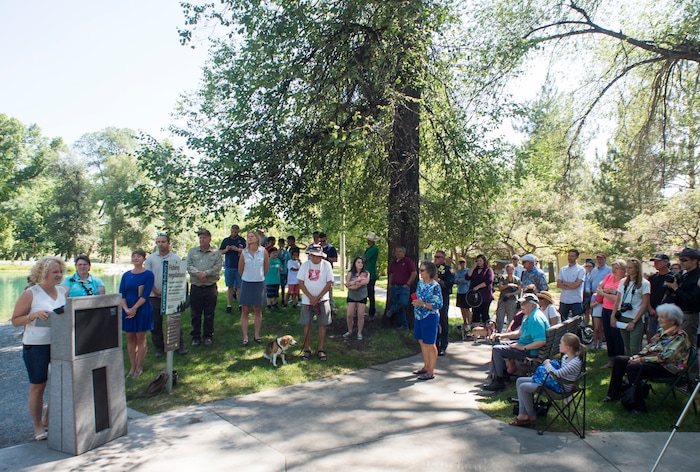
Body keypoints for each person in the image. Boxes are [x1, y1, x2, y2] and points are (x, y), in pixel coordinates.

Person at [12, 256, 67, 441]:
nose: (59, 275)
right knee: (38, 386)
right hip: (36, 345)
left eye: (60, 271)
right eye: (55, 272)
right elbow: (15, 320)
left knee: (60, 383)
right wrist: (32, 315)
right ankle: (37, 426)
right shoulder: (31, 293)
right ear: (43, 273)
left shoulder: (62, 292)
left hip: (59, 343)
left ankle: (48, 419)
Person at [602, 303, 690, 413]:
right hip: (655, 363)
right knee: (620, 360)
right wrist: (638, 355)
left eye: (663, 317)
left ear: (673, 320)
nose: (659, 319)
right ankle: (613, 395)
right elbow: (649, 346)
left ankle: (639, 406)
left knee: (633, 367)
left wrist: (641, 360)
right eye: (659, 316)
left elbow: (665, 357)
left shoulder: (679, 336)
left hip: (668, 368)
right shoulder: (661, 331)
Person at [511, 333, 585, 427]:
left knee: (523, 387)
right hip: (556, 382)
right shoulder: (566, 357)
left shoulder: (575, 363)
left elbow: (557, 374)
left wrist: (547, 363)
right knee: (519, 380)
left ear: (568, 348)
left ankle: (531, 416)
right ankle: (522, 414)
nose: (559, 344)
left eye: (561, 343)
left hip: (560, 389)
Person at [482, 293, 550, 391]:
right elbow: (519, 332)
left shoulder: (536, 319)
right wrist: (502, 335)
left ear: (532, 305)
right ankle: (503, 375)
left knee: (497, 350)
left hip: (530, 351)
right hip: (524, 345)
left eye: (524, 304)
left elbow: (541, 341)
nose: (521, 306)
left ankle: (499, 381)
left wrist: (522, 348)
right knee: (499, 344)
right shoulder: (530, 316)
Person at [145, 234, 187, 357]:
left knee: (174, 321)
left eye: (163, 241)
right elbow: (148, 277)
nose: (160, 244)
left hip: (171, 297)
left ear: (168, 243)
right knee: (156, 323)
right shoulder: (151, 259)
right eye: (158, 242)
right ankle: (159, 347)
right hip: (154, 296)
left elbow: (180, 277)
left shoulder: (176, 258)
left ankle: (178, 345)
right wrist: (155, 290)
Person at [120, 249, 155, 378]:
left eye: (138, 256)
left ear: (144, 259)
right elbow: (122, 293)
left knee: (140, 338)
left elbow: (146, 294)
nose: (136, 259)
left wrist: (134, 308)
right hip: (127, 309)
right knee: (130, 338)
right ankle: (132, 366)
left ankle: (139, 367)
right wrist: (126, 308)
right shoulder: (126, 275)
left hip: (141, 308)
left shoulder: (148, 274)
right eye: (133, 256)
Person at [298, 244, 334, 361]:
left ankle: (320, 349)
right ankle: (307, 349)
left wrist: (318, 297)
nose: (313, 257)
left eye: (316, 255)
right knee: (307, 324)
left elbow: (329, 283)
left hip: (323, 299)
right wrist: (310, 297)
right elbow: (301, 283)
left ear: (320, 256)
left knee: (322, 324)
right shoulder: (305, 265)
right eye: (312, 255)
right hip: (307, 300)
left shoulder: (327, 265)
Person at [186, 229, 222, 347]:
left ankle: (208, 336)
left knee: (209, 314)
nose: (202, 240)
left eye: (204, 238)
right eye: (200, 238)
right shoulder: (192, 251)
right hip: (196, 287)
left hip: (210, 286)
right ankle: (195, 337)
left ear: (209, 239)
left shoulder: (216, 252)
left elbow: (218, 267)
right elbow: (189, 265)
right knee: (195, 314)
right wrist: (198, 274)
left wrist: (206, 273)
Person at [410, 261, 443, 381]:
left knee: (429, 343)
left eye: (422, 270)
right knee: (421, 341)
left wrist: (423, 304)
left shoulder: (435, 286)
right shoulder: (420, 283)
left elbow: (438, 304)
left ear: (429, 272)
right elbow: (419, 297)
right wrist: (416, 302)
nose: (420, 272)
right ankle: (426, 366)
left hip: (430, 316)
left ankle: (431, 371)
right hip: (419, 316)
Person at [611, 258, 650, 356]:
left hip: (636, 318)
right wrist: (613, 316)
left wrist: (634, 322)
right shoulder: (623, 281)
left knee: (634, 347)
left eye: (630, 268)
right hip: (623, 316)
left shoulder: (644, 283)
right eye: (627, 268)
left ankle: (637, 368)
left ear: (637, 269)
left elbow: (645, 304)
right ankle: (629, 368)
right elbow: (617, 300)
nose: (628, 270)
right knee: (627, 346)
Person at [239, 231, 269, 346]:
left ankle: (257, 335)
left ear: (257, 239)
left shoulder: (263, 252)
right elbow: (240, 269)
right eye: (248, 237)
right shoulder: (244, 253)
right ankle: (245, 337)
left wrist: (259, 276)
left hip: (259, 283)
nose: (249, 238)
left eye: (252, 236)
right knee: (245, 310)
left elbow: (266, 267)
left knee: (258, 309)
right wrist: (247, 277)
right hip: (247, 283)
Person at [597, 259, 627, 367]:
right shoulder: (609, 277)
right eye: (613, 267)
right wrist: (606, 291)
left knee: (617, 336)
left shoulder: (624, 281)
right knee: (608, 335)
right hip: (605, 308)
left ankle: (619, 361)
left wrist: (603, 293)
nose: (614, 270)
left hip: (616, 310)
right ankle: (610, 360)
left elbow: (617, 299)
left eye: (617, 268)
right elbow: (599, 288)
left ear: (623, 270)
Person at [388, 246, 417, 330]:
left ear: (404, 253)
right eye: (396, 251)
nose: (398, 253)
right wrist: (390, 284)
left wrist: (408, 284)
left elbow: (414, 273)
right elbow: (391, 274)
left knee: (403, 303)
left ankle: (392, 310)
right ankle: (404, 325)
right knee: (400, 308)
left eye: (400, 251)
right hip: (394, 287)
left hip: (403, 287)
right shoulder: (393, 263)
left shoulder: (408, 261)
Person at [219, 224, 246, 313]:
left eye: (235, 232)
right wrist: (226, 250)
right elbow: (220, 252)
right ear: (231, 231)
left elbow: (246, 251)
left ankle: (240, 304)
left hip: (239, 266)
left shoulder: (241, 240)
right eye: (232, 231)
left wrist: (238, 250)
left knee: (239, 286)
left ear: (238, 231)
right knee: (230, 286)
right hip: (229, 266)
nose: (234, 233)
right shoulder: (226, 240)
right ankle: (229, 305)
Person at [589, 253, 612, 350]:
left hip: (605, 296)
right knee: (596, 326)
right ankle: (594, 343)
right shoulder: (594, 271)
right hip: (595, 295)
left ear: (605, 260)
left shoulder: (609, 270)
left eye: (601, 259)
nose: (600, 261)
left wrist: (603, 291)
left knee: (603, 326)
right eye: (598, 259)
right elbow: (590, 282)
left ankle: (601, 343)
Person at [344, 257, 370, 340]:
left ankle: (359, 332)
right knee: (349, 315)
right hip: (351, 297)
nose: (360, 264)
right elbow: (348, 285)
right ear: (354, 263)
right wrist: (354, 284)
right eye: (358, 262)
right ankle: (350, 331)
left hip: (362, 296)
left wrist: (354, 282)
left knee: (360, 315)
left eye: (362, 262)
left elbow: (365, 282)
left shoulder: (366, 273)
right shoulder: (350, 273)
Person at [434, 250, 455, 356]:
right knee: (434, 321)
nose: (435, 259)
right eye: (435, 257)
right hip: (432, 298)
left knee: (443, 320)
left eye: (438, 257)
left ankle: (443, 345)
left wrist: (439, 281)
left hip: (443, 297)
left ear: (443, 259)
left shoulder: (448, 269)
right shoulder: (432, 268)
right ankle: (435, 344)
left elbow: (450, 283)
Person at [464, 254, 494, 325]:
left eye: (480, 261)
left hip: (485, 295)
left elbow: (489, 281)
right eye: (477, 261)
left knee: (484, 313)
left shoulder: (488, 270)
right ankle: (475, 331)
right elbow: (467, 277)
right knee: (475, 313)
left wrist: (478, 287)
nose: (479, 262)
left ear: (484, 261)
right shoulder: (475, 270)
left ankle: (486, 331)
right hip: (475, 296)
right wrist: (472, 268)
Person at [647, 254, 671, 343]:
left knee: (662, 336)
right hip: (651, 312)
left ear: (666, 262)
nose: (656, 263)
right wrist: (650, 309)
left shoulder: (672, 277)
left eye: (658, 261)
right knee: (652, 336)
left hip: (666, 313)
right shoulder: (652, 278)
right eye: (654, 261)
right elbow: (647, 295)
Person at [556, 249, 585, 320]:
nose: (570, 258)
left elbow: (576, 285)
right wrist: (571, 284)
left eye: (572, 256)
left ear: (577, 257)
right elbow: (558, 284)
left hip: (575, 300)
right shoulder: (563, 269)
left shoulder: (580, 270)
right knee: (562, 320)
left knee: (577, 322)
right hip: (564, 300)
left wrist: (564, 282)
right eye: (569, 256)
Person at [495, 263, 520, 332]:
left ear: (513, 270)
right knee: (500, 317)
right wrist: (508, 285)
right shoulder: (503, 278)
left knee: (511, 318)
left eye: (510, 270)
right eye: (508, 270)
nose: (509, 272)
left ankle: (509, 333)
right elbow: (500, 287)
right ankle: (498, 332)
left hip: (512, 300)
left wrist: (511, 294)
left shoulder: (517, 279)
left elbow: (519, 290)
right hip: (503, 300)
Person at [318, 232, 338, 313]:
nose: (322, 243)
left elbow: (335, 259)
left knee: (329, 289)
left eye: (324, 241)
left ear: (326, 239)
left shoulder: (331, 248)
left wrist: (327, 258)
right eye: (321, 241)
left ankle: (331, 307)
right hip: (319, 270)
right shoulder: (318, 247)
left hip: (328, 270)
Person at [362, 231, 380, 318]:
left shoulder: (374, 249)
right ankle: (364, 309)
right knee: (365, 292)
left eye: (368, 240)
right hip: (365, 273)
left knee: (370, 293)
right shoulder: (370, 249)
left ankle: (372, 311)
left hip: (370, 274)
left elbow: (364, 259)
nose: (367, 241)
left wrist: (363, 258)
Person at [455, 259, 472, 327]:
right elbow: (455, 279)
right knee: (461, 307)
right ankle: (465, 321)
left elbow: (466, 280)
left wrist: (460, 280)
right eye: (460, 263)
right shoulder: (458, 272)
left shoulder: (468, 271)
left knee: (467, 308)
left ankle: (469, 322)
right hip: (460, 291)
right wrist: (458, 280)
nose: (462, 264)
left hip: (466, 291)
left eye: (463, 262)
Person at [277, 237, 290, 306]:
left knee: (283, 286)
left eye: (282, 243)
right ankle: (274, 300)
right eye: (280, 243)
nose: (281, 245)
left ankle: (282, 298)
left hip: (284, 271)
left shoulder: (286, 253)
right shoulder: (276, 251)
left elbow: (289, 261)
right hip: (277, 272)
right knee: (276, 286)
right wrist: (279, 251)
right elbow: (276, 257)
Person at [582, 259, 594, 326]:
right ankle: (585, 325)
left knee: (591, 311)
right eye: (587, 266)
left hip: (592, 294)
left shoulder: (594, 274)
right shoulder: (584, 274)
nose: (588, 268)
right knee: (586, 311)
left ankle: (593, 326)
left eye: (590, 266)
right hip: (585, 295)